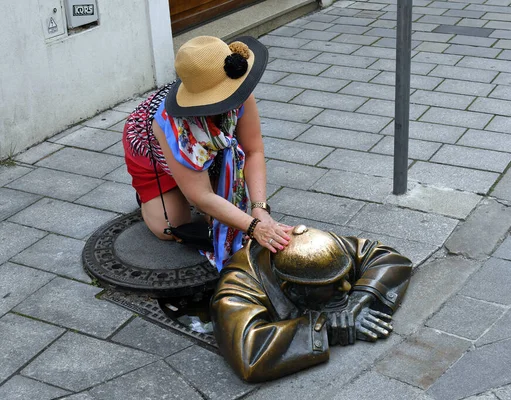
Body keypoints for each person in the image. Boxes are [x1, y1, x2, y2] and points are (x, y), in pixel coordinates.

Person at [122, 36, 291, 271]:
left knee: (220, 215)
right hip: (150, 151)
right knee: (170, 227)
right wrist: (255, 227)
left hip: (208, 148)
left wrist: (259, 208)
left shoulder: (238, 87)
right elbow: (200, 197)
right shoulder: (170, 124)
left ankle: (194, 175)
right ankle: (154, 195)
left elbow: (254, 151)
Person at [210, 225, 412, 383]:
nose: (346, 286)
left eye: (344, 277)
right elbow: (248, 353)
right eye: (331, 285)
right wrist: (325, 327)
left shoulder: (326, 246)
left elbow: (388, 258)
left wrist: (359, 299)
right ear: (293, 290)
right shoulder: (237, 288)